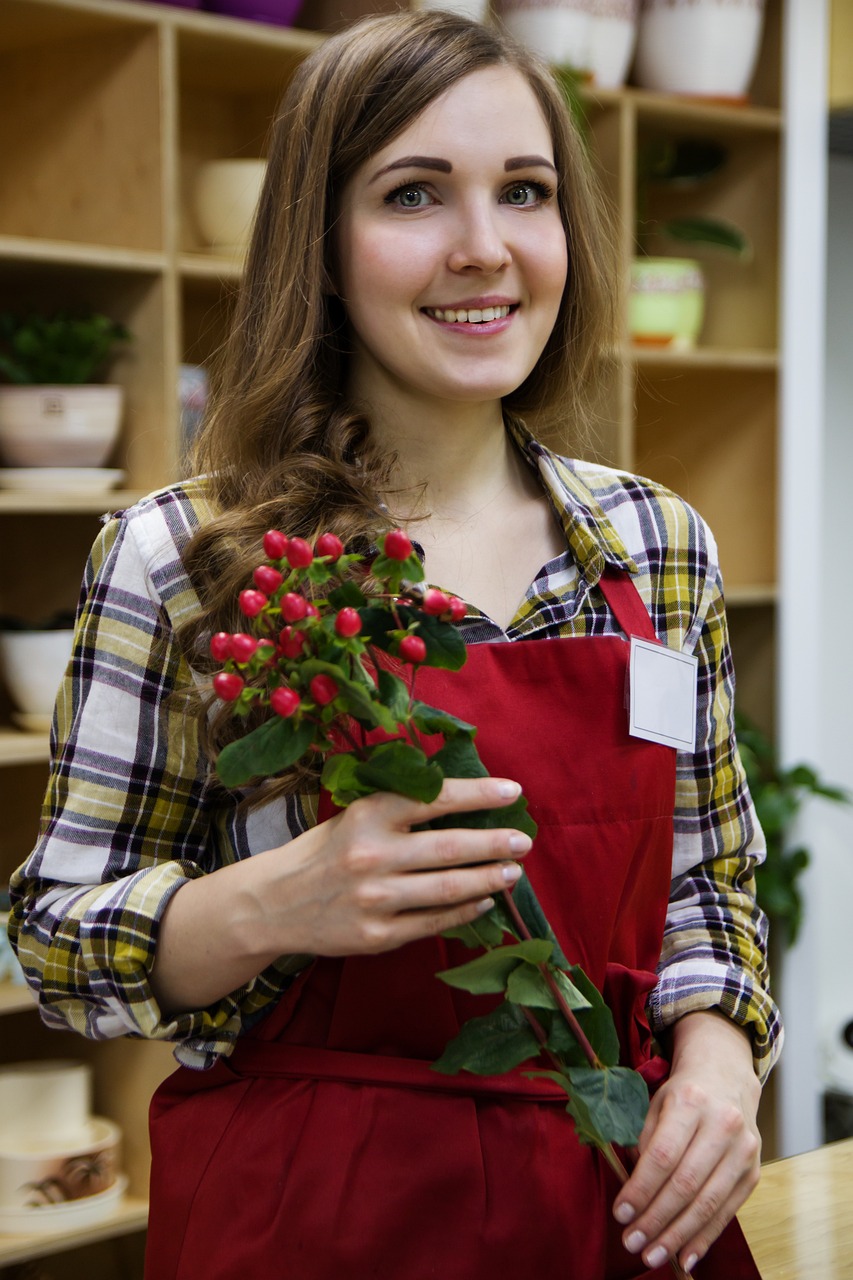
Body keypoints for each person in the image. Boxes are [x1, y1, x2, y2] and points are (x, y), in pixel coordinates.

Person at [9, 11, 782, 1279]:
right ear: (317, 242)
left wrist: (713, 1060)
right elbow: (55, 939)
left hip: (622, 1208)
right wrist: (274, 901)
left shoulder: (654, 547)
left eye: (523, 193)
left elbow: (711, 883)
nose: (484, 250)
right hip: (310, 1219)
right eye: (413, 193)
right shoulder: (186, 556)